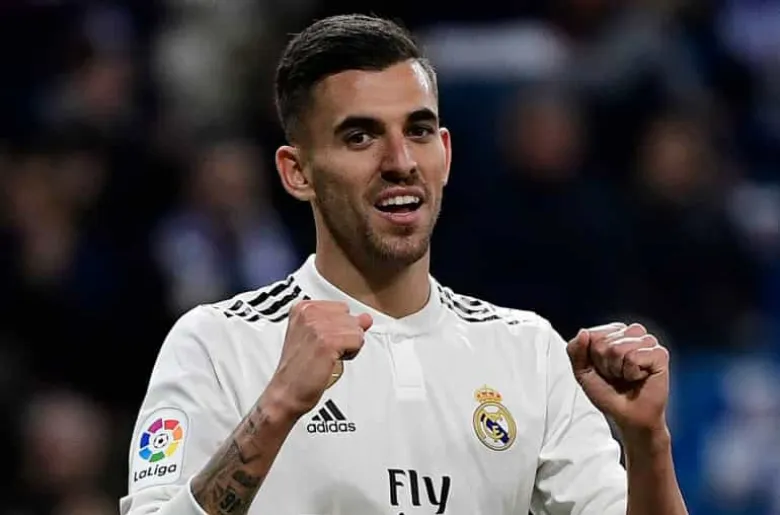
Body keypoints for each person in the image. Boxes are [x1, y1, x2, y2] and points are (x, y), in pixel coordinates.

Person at [119, 14, 689, 515]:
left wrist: (647, 443)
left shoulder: (529, 353)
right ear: (297, 172)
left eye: (417, 131)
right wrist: (277, 407)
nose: (400, 162)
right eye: (360, 136)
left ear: (446, 153)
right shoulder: (218, 344)